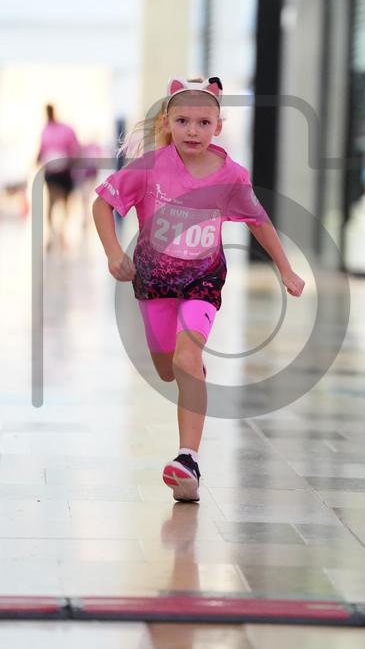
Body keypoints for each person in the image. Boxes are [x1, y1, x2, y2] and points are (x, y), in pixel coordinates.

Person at [92, 76, 305, 502]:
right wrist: (114, 253)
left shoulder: (231, 176)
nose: (193, 131)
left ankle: (187, 460)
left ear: (218, 127)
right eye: (184, 121)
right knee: (166, 367)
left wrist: (286, 268)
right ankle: (188, 372)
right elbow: (102, 204)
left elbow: (259, 221)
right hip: (154, 281)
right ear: (167, 123)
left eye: (204, 123)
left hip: (203, 280)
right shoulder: (149, 167)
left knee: (188, 357)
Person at [36, 104, 80, 250]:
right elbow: (41, 150)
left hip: (64, 172)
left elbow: (75, 149)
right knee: (52, 202)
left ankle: (60, 232)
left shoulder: (65, 129)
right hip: (52, 173)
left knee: (64, 204)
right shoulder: (46, 130)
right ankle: (53, 234)